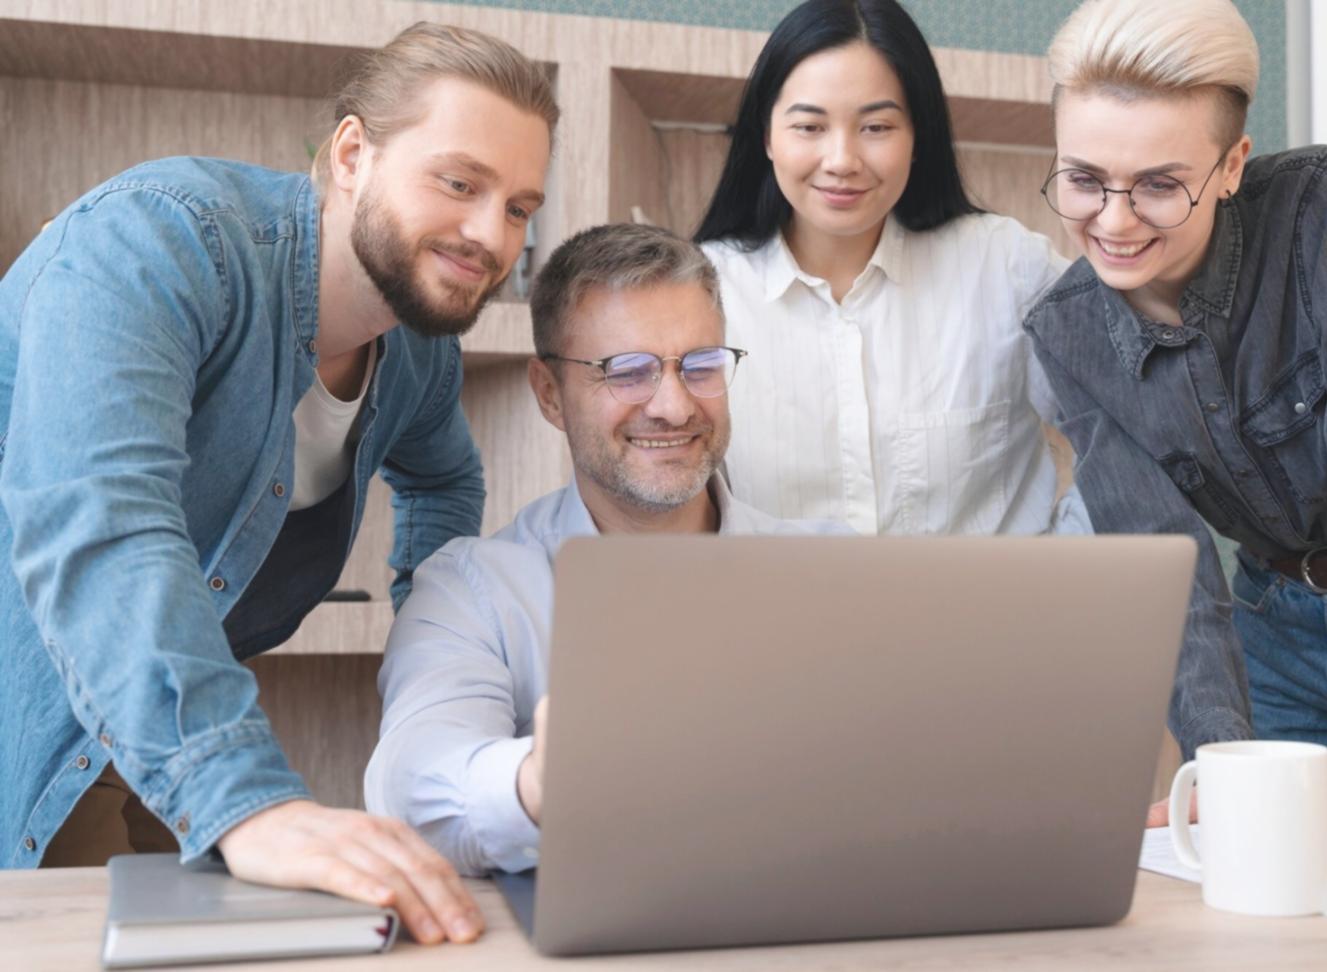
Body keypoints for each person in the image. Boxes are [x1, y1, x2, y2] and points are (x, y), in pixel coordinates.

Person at [0, 21, 557, 942]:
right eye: (460, 183)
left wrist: (440, 651)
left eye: (520, 206)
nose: (490, 234)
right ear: (350, 154)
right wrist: (247, 803)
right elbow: (103, 524)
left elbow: (445, 482)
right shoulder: (158, 243)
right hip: (33, 690)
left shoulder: (414, 356)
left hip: (152, 712)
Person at [1023, 0, 1327, 823]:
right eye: (1083, 179)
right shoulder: (1067, 332)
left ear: (1231, 166)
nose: (1113, 222)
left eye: (1159, 185)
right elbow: (1168, 567)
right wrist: (1216, 754)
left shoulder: (1324, 209)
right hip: (1280, 637)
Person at [364, 223, 845, 874]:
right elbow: (408, 786)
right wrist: (539, 779)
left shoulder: (831, 571)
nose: (674, 407)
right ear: (549, 394)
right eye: (628, 371)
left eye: (700, 366)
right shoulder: (471, 589)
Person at [694, 0, 1087, 537]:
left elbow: (1125, 434)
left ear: (917, 135)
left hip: (992, 620)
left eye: (876, 126)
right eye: (809, 126)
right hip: (784, 619)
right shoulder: (702, 295)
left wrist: (1068, 568)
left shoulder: (1007, 268)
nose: (842, 160)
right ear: (766, 136)